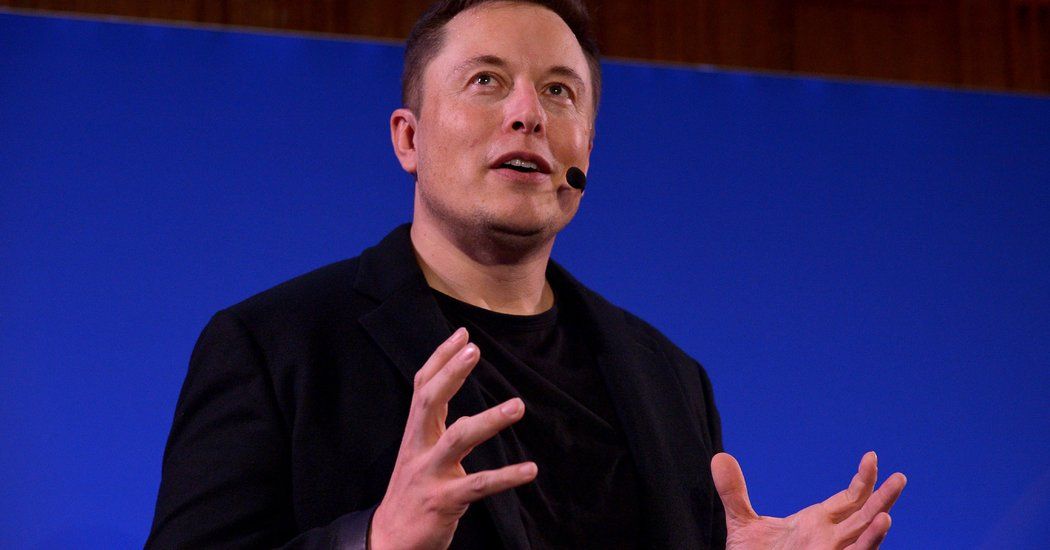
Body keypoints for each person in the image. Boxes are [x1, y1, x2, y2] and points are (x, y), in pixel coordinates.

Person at [147, 1, 907, 548]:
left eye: (558, 90)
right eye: (485, 80)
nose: (528, 114)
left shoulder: (670, 380)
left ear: (587, 149)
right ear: (408, 139)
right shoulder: (273, 345)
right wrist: (376, 542)